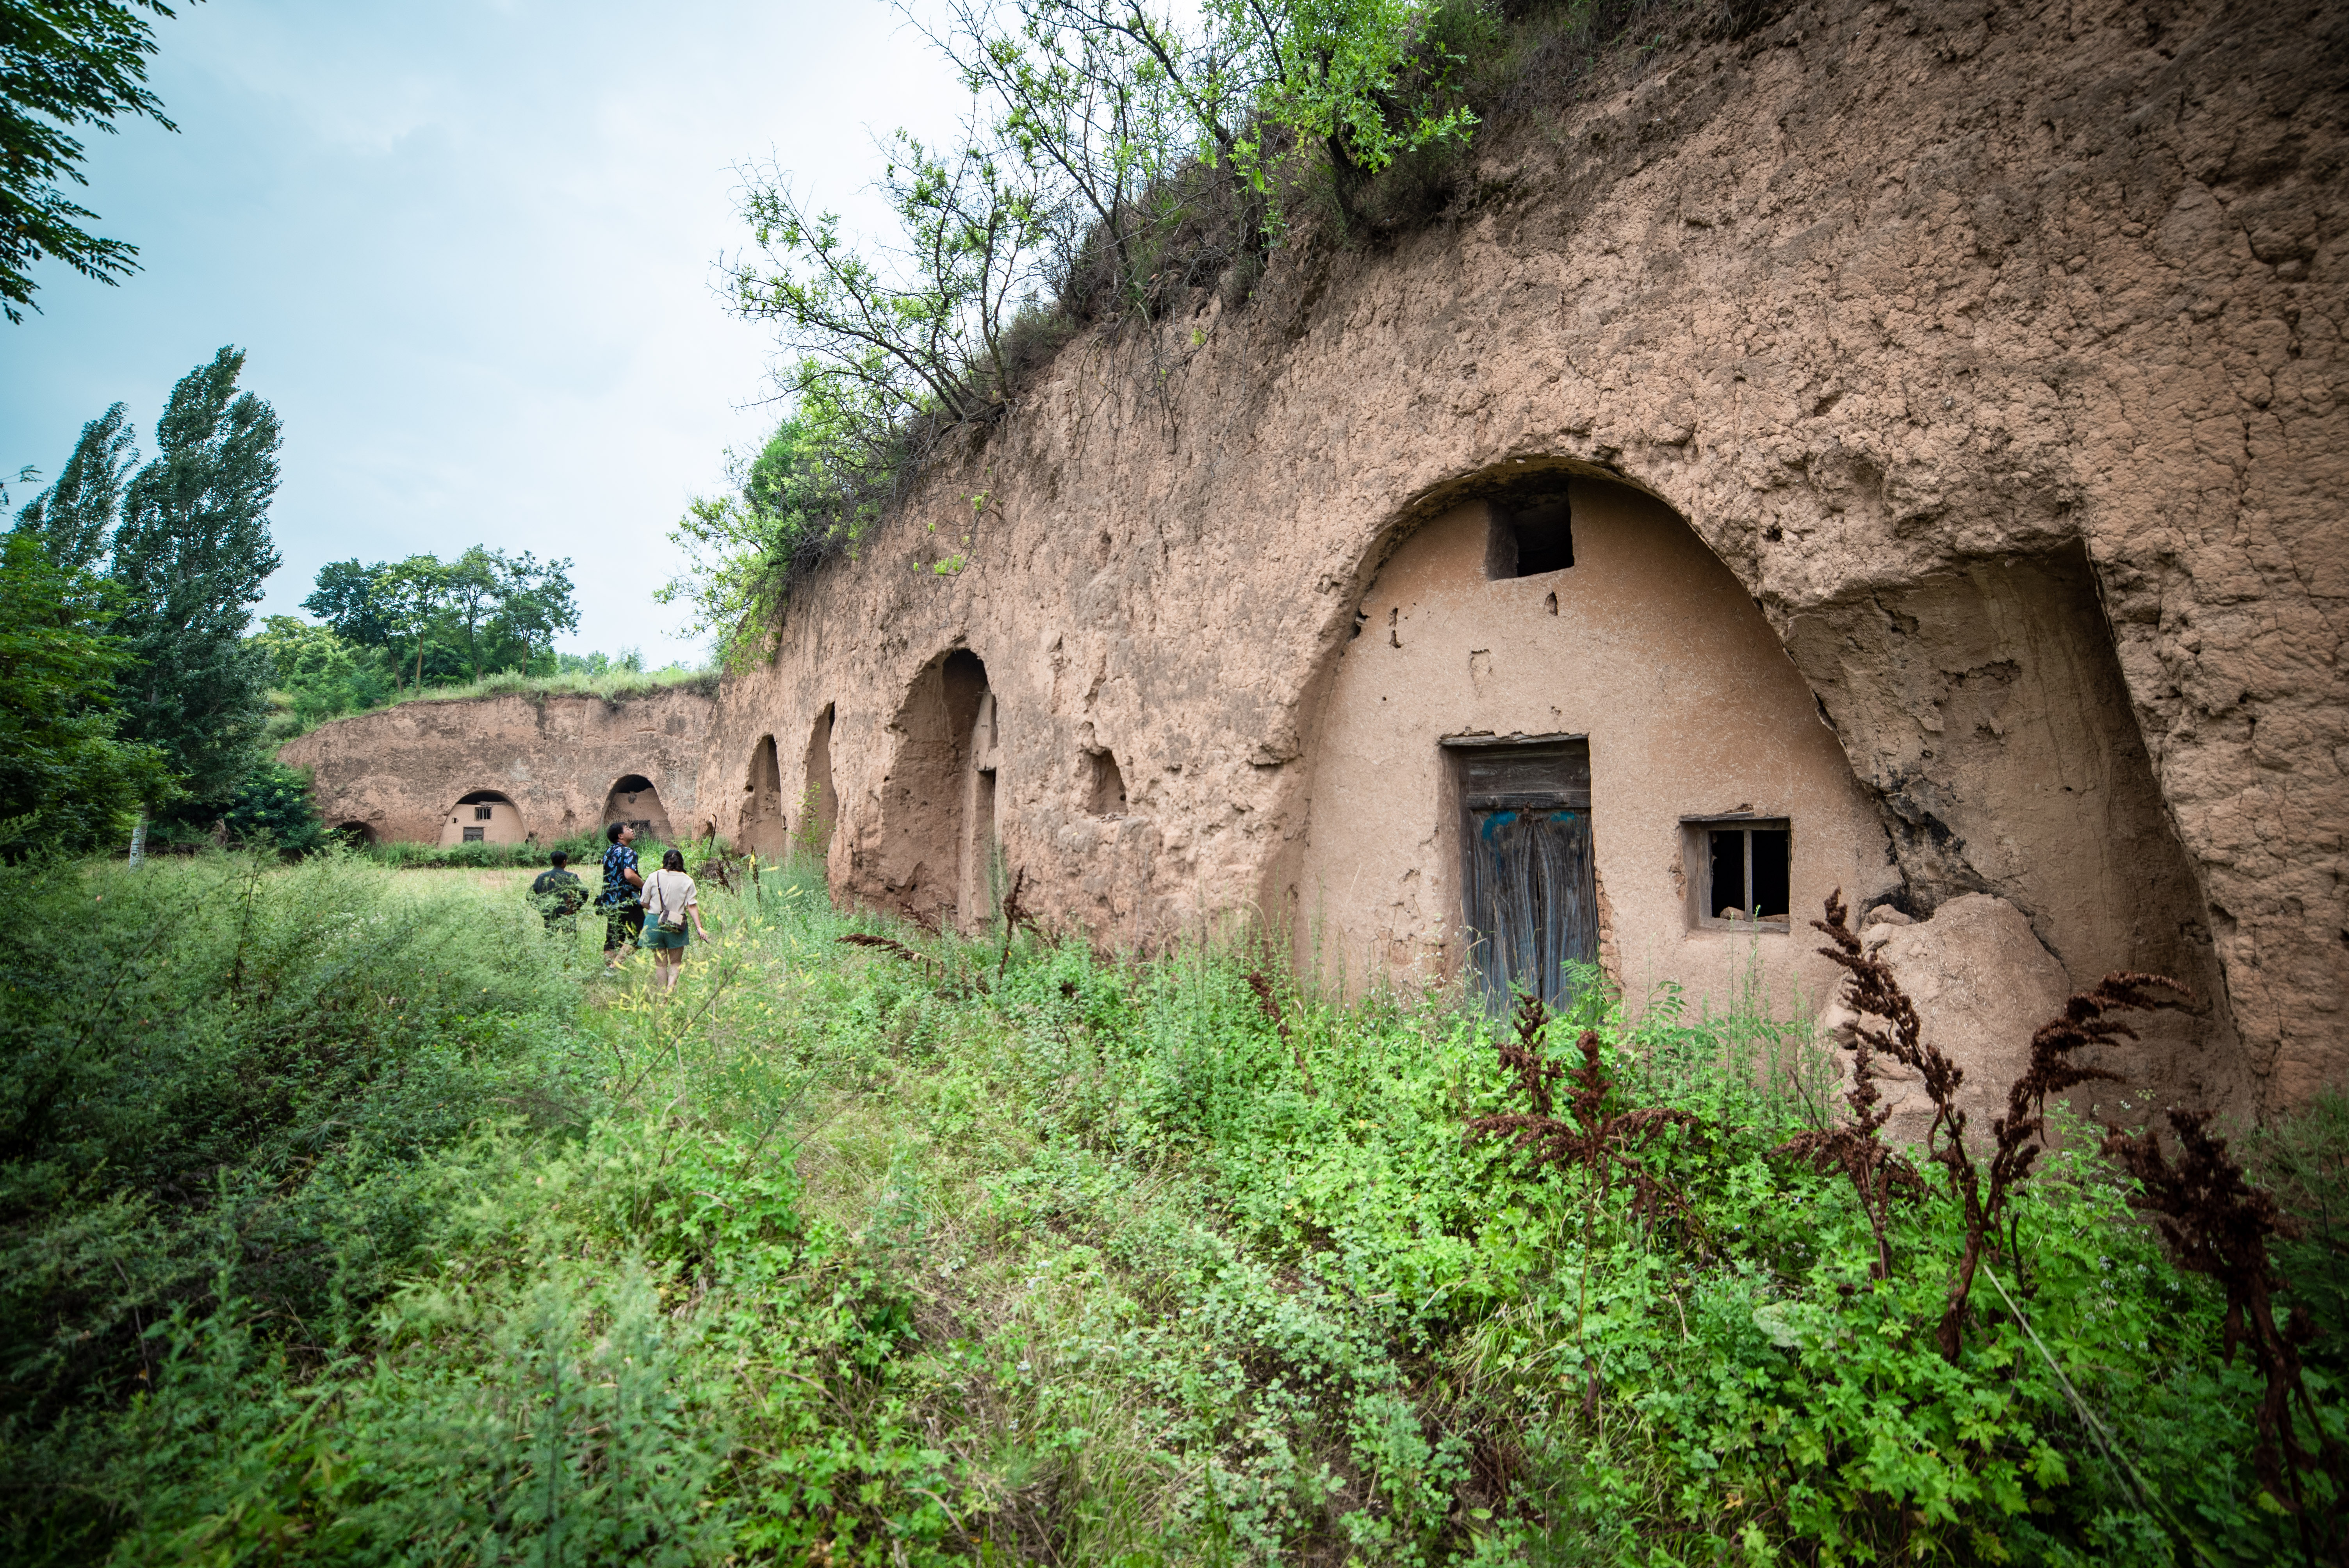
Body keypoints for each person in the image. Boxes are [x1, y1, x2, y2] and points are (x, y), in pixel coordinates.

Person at [636, 847, 711, 992]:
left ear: (664, 861)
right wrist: (699, 927)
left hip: (654, 922)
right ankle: (669, 993)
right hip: (677, 924)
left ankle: (662, 991)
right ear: (681, 863)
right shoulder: (688, 880)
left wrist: (657, 912)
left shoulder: (654, 876)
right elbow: (692, 906)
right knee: (676, 962)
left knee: (661, 964)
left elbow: (644, 902)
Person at [598, 822, 645, 968]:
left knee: (614, 937)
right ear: (621, 836)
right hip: (627, 900)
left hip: (611, 900)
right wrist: (645, 886)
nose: (632, 830)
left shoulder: (609, 852)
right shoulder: (629, 852)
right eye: (628, 829)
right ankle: (614, 967)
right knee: (641, 935)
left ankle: (608, 970)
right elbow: (630, 875)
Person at [530, 849, 586, 937]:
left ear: (552, 862)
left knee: (550, 942)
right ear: (564, 862)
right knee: (570, 942)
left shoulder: (543, 877)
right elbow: (585, 892)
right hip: (568, 914)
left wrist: (541, 908)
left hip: (550, 914)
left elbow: (529, 896)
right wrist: (575, 907)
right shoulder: (572, 877)